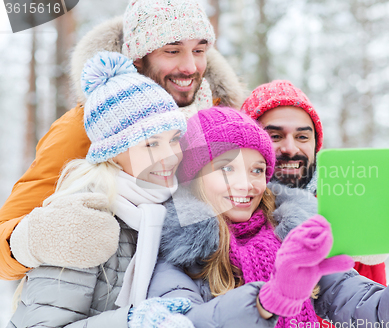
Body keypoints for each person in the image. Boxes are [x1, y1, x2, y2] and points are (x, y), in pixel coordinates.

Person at [147, 106, 389, 328]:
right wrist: (268, 300)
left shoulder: (295, 241)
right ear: (193, 177)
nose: (246, 184)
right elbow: (183, 326)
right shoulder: (176, 259)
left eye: (256, 169)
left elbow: (377, 320)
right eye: (226, 168)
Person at [0, 0, 246, 280]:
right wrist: (38, 239)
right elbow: (4, 243)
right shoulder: (87, 127)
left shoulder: (220, 117)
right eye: (172, 50)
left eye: (199, 50)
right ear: (138, 57)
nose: (190, 66)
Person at [4, 51, 200, 328]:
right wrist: (131, 323)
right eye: (151, 144)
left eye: (174, 140)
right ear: (112, 152)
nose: (170, 156)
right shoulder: (81, 221)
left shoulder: (166, 211)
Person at [240, 81, 387, 281]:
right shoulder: (226, 215)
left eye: (302, 137)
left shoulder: (345, 215)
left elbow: (376, 306)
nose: (290, 148)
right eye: (275, 136)